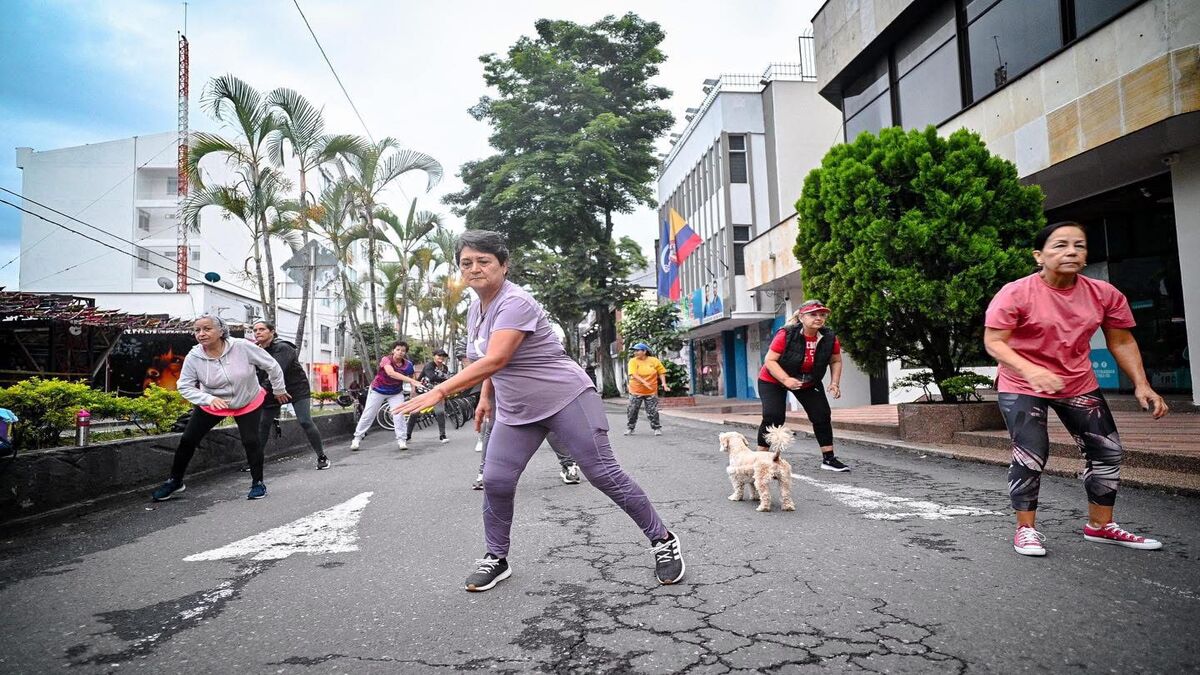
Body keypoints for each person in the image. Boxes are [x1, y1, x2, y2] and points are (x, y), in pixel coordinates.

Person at [398, 230, 685, 592]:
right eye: (466, 263)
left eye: (484, 261)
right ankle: (496, 558)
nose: (474, 268)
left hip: (565, 398)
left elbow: (499, 356)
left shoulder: (515, 302)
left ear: (503, 265)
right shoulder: (475, 308)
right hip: (518, 410)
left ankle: (662, 540)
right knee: (497, 481)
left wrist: (439, 390)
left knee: (602, 473)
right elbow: (488, 363)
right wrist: (486, 397)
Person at [984, 221, 1169, 557]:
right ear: (1038, 255)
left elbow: (1122, 340)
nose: (1071, 251)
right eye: (1060, 245)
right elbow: (994, 342)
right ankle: (1025, 530)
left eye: (1079, 245)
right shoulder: (1015, 292)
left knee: (1107, 451)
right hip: (1022, 382)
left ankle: (1100, 526)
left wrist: (1142, 384)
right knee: (1031, 453)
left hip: (1076, 381)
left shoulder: (1104, 294)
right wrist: (1031, 370)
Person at [151, 314, 289, 502]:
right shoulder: (194, 356)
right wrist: (207, 398)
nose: (201, 334)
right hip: (213, 404)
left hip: (247, 400)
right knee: (188, 439)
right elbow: (184, 385)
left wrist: (279, 389)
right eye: (197, 330)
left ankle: (258, 483)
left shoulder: (241, 346)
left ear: (221, 331)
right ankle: (175, 481)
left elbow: (272, 365)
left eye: (207, 329)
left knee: (251, 441)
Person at [459, 349, 581, 490]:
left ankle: (569, 465)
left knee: (547, 421)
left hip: (533, 376)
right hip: (500, 377)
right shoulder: (483, 332)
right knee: (492, 425)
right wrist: (484, 396)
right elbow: (490, 363)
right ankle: (485, 473)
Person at [756, 300, 849, 472]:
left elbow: (835, 360)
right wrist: (785, 380)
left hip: (807, 380)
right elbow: (769, 361)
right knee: (773, 416)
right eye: (813, 314)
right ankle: (760, 459)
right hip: (774, 379)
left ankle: (828, 459)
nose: (819, 318)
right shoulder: (786, 334)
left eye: (822, 314)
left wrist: (834, 382)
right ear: (801, 317)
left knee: (821, 414)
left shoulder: (829, 337)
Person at [251, 321, 330, 470]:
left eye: (262, 329)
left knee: (305, 421)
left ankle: (321, 456)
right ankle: (255, 461)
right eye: (255, 330)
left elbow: (277, 371)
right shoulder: (255, 350)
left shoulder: (283, 347)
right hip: (272, 391)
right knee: (263, 424)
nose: (258, 332)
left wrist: (264, 390)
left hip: (296, 389)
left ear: (272, 332)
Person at [350, 341, 424, 451]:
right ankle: (357, 438)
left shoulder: (408, 365)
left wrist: (413, 391)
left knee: (399, 414)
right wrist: (412, 381)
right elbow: (391, 373)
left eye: (403, 350)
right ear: (393, 350)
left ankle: (401, 440)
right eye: (398, 349)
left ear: (405, 353)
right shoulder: (386, 360)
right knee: (369, 414)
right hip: (377, 390)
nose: (400, 352)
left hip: (395, 392)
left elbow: (412, 377)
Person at [406, 349, 451, 444]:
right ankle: (407, 434)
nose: (441, 357)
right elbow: (432, 377)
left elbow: (446, 381)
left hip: (436, 393)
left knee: (440, 412)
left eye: (443, 356)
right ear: (434, 356)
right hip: (422, 392)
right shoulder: (429, 366)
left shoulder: (445, 368)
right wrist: (446, 379)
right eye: (439, 355)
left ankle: (442, 435)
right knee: (414, 413)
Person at [624, 342, 669, 436]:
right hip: (636, 390)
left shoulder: (654, 360)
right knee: (632, 410)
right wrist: (644, 383)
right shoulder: (633, 361)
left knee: (653, 411)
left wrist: (664, 384)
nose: (635, 353)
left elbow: (661, 372)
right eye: (634, 351)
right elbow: (633, 374)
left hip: (651, 391)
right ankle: (630, 428)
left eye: (637, 350)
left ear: (644, 351)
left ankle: (656, 428)